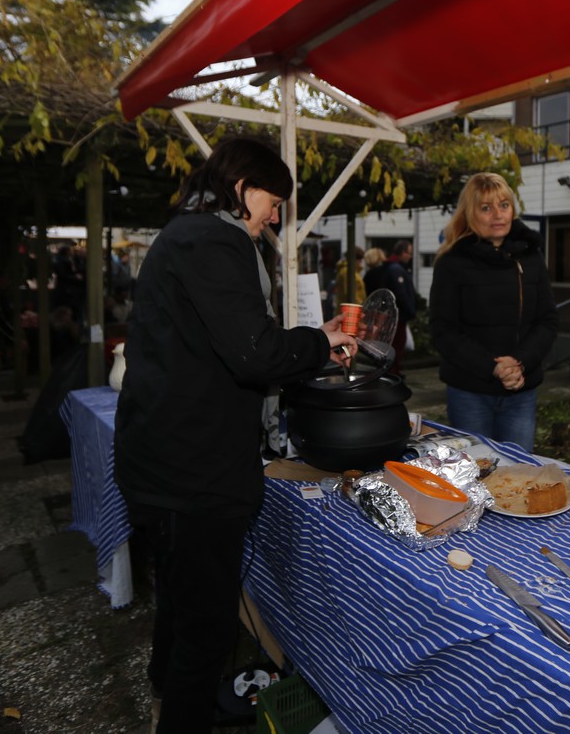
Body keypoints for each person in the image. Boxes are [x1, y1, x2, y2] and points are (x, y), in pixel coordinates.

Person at [113, 137, 357, 734]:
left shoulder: (187, 234)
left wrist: (314, 340)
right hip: (192, 470)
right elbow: (254, 353)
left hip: (166, 460)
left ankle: (162, 690)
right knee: (208, 626)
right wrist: (317, 344)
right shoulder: (215, 240)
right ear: (244, 188)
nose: (274, 218)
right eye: (273, 203)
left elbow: (230, 339)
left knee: (179, 597)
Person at [430, 173, 558, 451]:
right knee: (473, 470)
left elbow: (547, 320)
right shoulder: (451, 262)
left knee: (518, 470)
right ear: (470, 213)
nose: (498, 215)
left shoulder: (531, 256)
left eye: (504, 205)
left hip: (521, 389)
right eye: (486, 207)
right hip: (469, 392)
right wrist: (493, 367)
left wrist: (520, 362)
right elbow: (443, 330)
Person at [376, 239, 418, 373]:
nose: (410, 256)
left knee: (395, 346)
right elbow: (401, 294)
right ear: (402, 253)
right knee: (397, 345)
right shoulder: (396, 270)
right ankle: (392, 373)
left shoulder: (394, 268)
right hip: (398, 317)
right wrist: (411, 312)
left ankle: (392, 372)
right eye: (409, 253)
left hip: (396, 316)